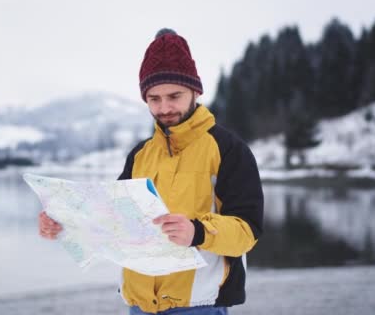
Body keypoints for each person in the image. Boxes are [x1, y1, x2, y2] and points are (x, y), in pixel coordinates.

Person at [39, 28, 264, 315]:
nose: (164, 107)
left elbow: (248, 231)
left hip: (198, 306)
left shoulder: (229, 150)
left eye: (174, 96)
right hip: (139, 305)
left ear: (195, 91)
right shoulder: (140, 154)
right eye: (154, 99)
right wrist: (64, 223)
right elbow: (113, 220)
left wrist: (197, 231)